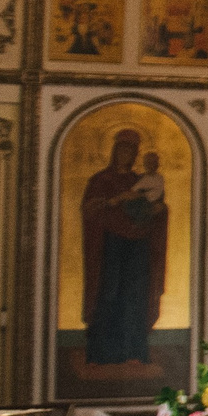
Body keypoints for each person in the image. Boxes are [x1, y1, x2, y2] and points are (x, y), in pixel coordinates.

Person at [81, 127, 169, 373]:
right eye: (121, 149)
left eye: (131, 151)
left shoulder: (140, 181)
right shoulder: (101, 180)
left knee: (136, 295)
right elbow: (91, 208)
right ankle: (101, 352)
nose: (125, 155)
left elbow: (156, 205)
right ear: (114, 151)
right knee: (108, 292)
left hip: (138, 244)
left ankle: (134, 351)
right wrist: (115, 201)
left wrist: (159, 211)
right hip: (110, 244)